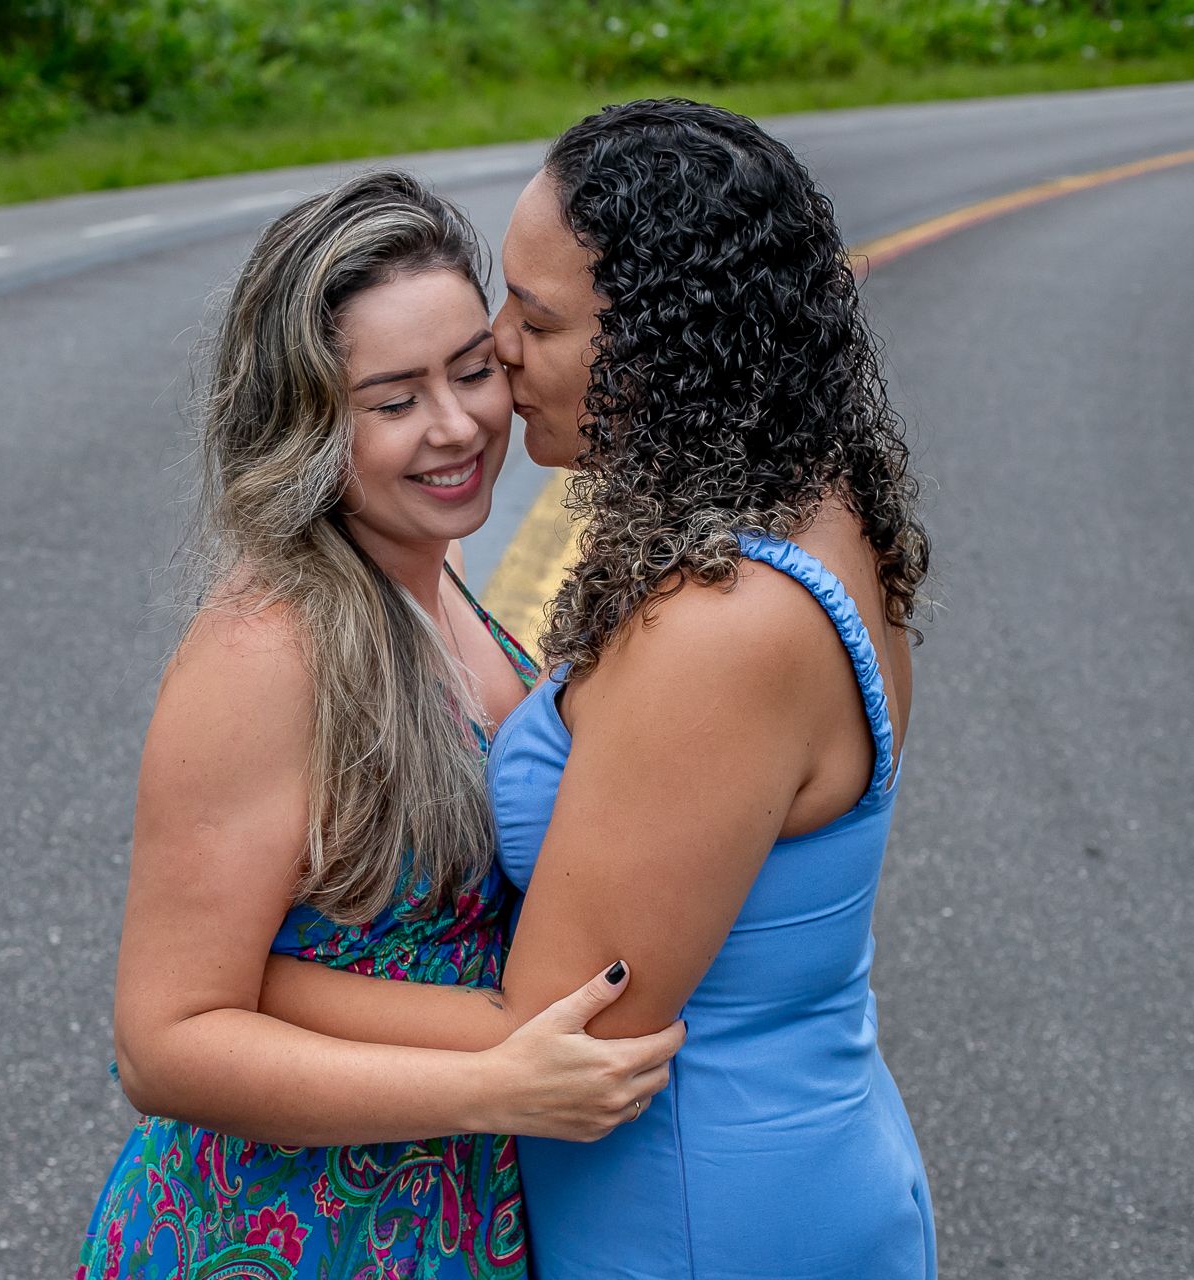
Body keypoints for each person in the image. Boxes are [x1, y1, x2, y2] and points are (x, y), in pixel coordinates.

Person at [259, 100, 937, 1278]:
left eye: (538, 319)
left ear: (663, 343)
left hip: (695, 1215)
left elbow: (563, 1022)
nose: (496, 348)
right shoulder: (810, 512)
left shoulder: (723, 624)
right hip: (784, 1154)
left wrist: (251, 990)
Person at [77, 170, 683, 1280]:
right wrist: (492, 1084)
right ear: (306, 424)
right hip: (275, 1236)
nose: (457, 426)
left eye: (473, 370)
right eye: (394, 401)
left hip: (441, 1216)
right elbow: (164, 1042)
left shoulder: (432, 575)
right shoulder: (268, 648)